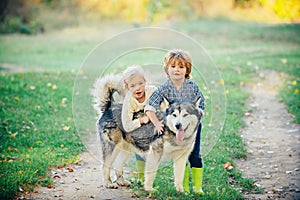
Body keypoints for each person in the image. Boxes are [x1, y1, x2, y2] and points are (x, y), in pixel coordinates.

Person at [144, 49, 205, 194]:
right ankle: (178, 186)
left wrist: (194, 121)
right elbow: (149, 107)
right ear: (167, 69)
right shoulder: (164, 88)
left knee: (194, 155)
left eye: (181, 67)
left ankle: (197, 187)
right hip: (171, 126)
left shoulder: (193, 87)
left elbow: (201, 106)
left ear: (187, 70)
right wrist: (157, 123)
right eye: (173, 66)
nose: (177, 70)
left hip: (191, 126)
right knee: (159, 151)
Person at [121, 65, 155, 183]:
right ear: (127, 87)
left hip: (154, 122)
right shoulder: (129, 101)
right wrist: (141, 120)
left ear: (145, 81)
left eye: (140, 83)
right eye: (133, 85)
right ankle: (141, 176)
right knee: (140, 141)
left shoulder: (152, 91)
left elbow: (164, 106)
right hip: (138, 125)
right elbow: (127, 125)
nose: (138, 88)